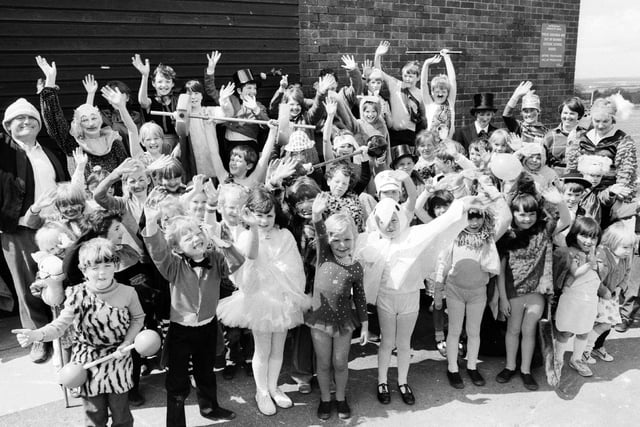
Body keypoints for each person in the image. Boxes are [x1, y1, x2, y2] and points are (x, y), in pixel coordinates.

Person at [358, 195, 482, 406]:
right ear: (376, 222)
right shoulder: (370, 242)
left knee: (404, 343)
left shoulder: (413, 235)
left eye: (394, 220)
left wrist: (461, 206)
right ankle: (382, 382)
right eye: (384, 222)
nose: (389, 226)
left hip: (410, 298)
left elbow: (439, 226)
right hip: (387, 298)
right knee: (387, 342)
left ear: (401, 218)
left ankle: (403, 381)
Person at [13, 238, 145, 427]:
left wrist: (127, 342)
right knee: (95, 416)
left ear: (115, 266)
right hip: (88, 362)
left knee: (122, 416)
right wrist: (37, 335)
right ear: (84, 270)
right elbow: (59, 326)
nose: (102, 272)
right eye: (94, 268)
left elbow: (138, 318)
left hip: (119, 360)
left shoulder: (128, 292)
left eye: (107, 265)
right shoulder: (76, 294)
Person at [142, 204, 243, 425]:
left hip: (207, 327)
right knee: (177, 380)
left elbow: (236, 263)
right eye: (188, 238)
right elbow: (158, 251)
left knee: (205, 372)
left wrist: (222, 243)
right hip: (181, 332)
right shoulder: (173, 265)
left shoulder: (215, 258)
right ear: (177, 248)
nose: (196, 239)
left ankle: (209, 408)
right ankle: (176, 423)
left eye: (198, 233)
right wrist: (151, 222)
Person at [216, 188, 309, 416]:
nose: (265, 220)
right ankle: (262, 391)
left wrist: (287, 287)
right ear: (250, 215)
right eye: (260, 215)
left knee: (278, 349)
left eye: (269, 215)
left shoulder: (285, 235)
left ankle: (273, 386)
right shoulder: (246, 236)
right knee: (263, 348)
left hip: (282, 298)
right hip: (260, 300)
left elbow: (294, 266)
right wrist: (255, 229)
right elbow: (250, 261)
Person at [1, 95, 69, 363]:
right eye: (19, 118)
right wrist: (15, 220)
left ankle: (62, 331)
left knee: (58, 278)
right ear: (8, 125)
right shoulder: (3, 152)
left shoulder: (48, 151)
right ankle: (37, 337)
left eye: (31, 118)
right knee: (28, 283)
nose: (26, 121)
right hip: (18, 227)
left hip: (54, 225)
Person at [496, 177, 571, 390]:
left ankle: (526, 370)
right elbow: (500, 272)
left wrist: (560, 201)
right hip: (512, 292)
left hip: (536, 292)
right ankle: (510, 366)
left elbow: (565, 221)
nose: (526, 218)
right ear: (513, 214)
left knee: (529, 332)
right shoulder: (507, 236)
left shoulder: (543, 232)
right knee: (513, 330)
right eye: (521, 214)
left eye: (531, 214)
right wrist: (502, 297)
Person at [306, 193, 368, 420]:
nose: (341, 245)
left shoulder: (356, 267)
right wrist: (316, 213)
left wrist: (364, 325)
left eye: (347, 239)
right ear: (328, 240)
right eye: (336, 239)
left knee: (340, 363)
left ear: (354, 238)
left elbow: (360, 297)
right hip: (320, 321)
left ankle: (340, 398)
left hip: (344, 322)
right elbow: (320, 231)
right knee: (323, 363)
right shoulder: (324, 256)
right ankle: (325, 399)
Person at [435, 204, 503, 389]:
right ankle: (452, 368)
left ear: (484, 218)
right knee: (455, 330)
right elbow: (443, 263)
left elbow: (504, 218)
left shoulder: (487, 238)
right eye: (469, 217)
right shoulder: (454, 237)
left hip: (477, 292)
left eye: (478, 217)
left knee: (474, 332)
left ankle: (472, 366)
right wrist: (438, 291)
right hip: (455, 290)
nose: (474, 222)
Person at [37, 56, 131, 176]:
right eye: (85, 120)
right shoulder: (73, 144)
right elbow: (55, 122)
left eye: (93, 118)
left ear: (100, 120)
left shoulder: (113, 142)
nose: (91, 123)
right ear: (79, 124)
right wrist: (50, 82)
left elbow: (126, 174)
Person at [565, 95, 638, 196]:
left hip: (610, 193)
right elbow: (572, 168)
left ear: (613, 120)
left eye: (605, 121)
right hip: (584, 192)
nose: (600, 125)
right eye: (597, 121)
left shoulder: (622, 140)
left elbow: (625, 174)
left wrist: (615, 194)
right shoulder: (580, 137)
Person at [584, 221, 634, 357]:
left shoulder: (624, 258)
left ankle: (596, 346)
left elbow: (627, 273)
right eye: (625, 247)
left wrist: (620, 287)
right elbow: (595, 276)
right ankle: (585, 350)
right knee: (596, 325)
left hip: (611, 297)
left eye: (631, 247)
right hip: (598, 295)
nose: (629, 251)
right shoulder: (602, 254)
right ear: (611, 242)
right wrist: (603, 290)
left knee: (607, 325)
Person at [373, 41, 424, 146]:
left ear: (418, 78)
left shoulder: (421, 94)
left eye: (411, 76)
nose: (408, 79)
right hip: (394, 133)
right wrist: (377, 55)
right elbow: (379, 71)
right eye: (405, 76)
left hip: (410, 134)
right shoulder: (396, 85)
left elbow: (423, 117)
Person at [132, 54, 180, 149]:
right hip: (156, 144)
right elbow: (142, 101)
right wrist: (144, 76)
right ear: (153, 83)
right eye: (160, 82)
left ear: (172, 84)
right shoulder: (151, 101)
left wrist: (180, 145)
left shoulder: (178, 100)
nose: (164, 85)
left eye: (167, 81)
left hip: (178, 143)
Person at [421, 49, 458, 140]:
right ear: (432, 93)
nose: (440, 94)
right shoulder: (429, 104)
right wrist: (426, 64)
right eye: (437, 92)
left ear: (448, 93)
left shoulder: (450, 102)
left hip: (447, 145)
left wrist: (447, 57)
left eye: (443, 92)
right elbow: (423, 84)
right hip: (432, 144)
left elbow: (452, 80)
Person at [543, 97, 586, 172]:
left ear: (578, 115)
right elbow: (543, 160)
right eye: (565, 113)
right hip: (556, 178)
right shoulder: (550, 136)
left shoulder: (585, 135)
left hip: (579, 178)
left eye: (572, 113)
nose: (568, 117)